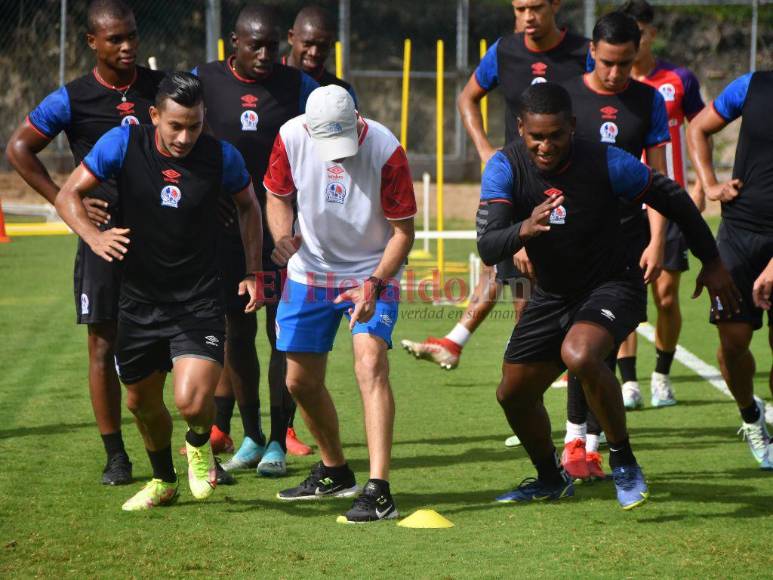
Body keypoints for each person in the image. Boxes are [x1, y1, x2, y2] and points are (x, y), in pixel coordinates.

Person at [477, 82, 737, 509]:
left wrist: (711, 262)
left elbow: (672, 198)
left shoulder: (605, 161)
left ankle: (624, 459)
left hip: (613, 284)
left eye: (556, 135)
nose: (546, 145)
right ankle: (549, 477)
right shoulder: (505, 167)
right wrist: (523, 228)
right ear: (521, 129)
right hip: (553, 293)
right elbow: (489, 245)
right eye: (536, 136)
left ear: (572, 127)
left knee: (579, 354)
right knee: (513, 394)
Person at [54, 72, 263, 510]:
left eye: (195, 124)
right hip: (139, 300)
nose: (186, 136)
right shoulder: (121, 144)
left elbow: (249, 206)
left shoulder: (222, 157)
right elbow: (68, 195)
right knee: (140, 403)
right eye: (176, 126)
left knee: (190, 400)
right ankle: (163, 481)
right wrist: (94, 237)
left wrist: (252, 271)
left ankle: (200, 443)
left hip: (198, 300)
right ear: (154, 116)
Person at [5, 0, 164, 486]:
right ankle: (116, 455)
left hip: (163, 238)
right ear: (92, 43)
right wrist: (62, 201)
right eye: (115, 39)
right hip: (102, 240)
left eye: (132, 36)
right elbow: (18, 148)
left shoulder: (160, 88)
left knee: (176, 344)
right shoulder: (71, 99)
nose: (127, 46)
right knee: (102, 345)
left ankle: (195, 445)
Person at [401, 0, 589, 372]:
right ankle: (527, 376)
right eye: (519, 8)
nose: (527, 17)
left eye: (535, 7)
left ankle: (556, 368)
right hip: (518, 186)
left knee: (552, 280)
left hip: (572, 185)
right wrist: (486, 150)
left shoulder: (583, 53)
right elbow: (467, 97)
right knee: (515, 279)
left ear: (556, 4)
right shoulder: (504, 51)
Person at [264, 85, 416, 523]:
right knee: (298, 382)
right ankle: (334, 470)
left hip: (373, 268)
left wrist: (373, 283)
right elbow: (277, 194)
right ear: (309, 129)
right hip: (308, 272)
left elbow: (403, 233)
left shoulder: (386, 150)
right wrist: (282, 238)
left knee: (370, 366)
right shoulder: (290, 136)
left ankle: (380, 490)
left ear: (358, 121)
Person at [192, 4, 318, 476]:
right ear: (233, 43)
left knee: (282, 331)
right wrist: (208, 193)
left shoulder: (297, 86)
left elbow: (329, 138)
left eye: (273, 46)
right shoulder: (203, 79)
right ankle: (250, 435)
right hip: (226, 233)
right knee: (237, 332)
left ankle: (278, 444)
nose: (266, 55)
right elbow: (177, 133)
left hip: (284, 232)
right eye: (255, 45)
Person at [557, 10, 670, 481]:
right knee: (571, 343)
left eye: (626, 63)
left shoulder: (648, 102)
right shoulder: (568, 98)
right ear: (592, 53)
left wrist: (658, 240)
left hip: (626, 242)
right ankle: (573, 441)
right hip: (571, 240)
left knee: (597, 343)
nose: (616, 73)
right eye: (608, 62)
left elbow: (659, 180)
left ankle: (586, 446)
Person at [622, 0, 707, 408]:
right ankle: (627, 382)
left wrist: (702, 184)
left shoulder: (679, 79)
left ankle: (661, 374)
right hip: (622, 201)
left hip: (668, 199)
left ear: (652, 34)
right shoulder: (611, 83)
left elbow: (701, 128)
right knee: (622, 289)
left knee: (667, 295)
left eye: (642, 32)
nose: (636, 40)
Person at [687, 70, 773, 469]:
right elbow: (698, 128)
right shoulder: (752, 86)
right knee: (732, 343)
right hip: (738, 234)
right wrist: (709, 183)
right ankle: (752, 417)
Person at [285, 5, 357, 104]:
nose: (314, 52)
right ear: (291, 37)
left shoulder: (342, 93)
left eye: (322, 46)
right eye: (308, 44)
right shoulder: (267, 78)